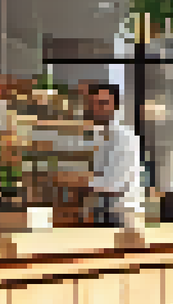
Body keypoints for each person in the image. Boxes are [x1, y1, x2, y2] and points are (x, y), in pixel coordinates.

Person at [40, 83, 143, 228]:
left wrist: (77, 179)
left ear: (115, 106)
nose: (97, 109)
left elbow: (114, 183)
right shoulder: (97, 135)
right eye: (93, 104)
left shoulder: (125, 138)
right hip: (100, 213)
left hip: (123, 216)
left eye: (103, 103)